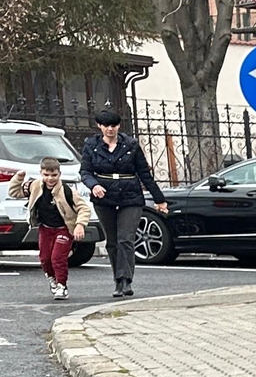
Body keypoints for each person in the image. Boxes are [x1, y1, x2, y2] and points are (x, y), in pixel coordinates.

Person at [77, 107, 167, 300]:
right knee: (112, 240)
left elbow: (144, 173)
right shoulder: (91, 146)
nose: (110, 129)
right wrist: (94, 186)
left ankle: (125, 280)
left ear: (119, 126)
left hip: (130, 195)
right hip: (104, 197)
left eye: (114, 125)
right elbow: (85, 172)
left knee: (125, 238)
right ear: (100, 126)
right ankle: (117, 279)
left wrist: (159, 199)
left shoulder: (131, 145)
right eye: (106, 125)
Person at [9, 156, 93, 299]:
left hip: (63, 229)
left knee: (57, 258)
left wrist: (80, 225)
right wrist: (18, 178)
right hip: (46, 228)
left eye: (54, 175)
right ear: (41, 173)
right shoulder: (34, 186)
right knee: (45, 258)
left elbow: (84, 208)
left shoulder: (67, 191)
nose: (50, 179)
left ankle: (62, 286)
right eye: (46, 175)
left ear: (59, 174)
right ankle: (52, 279)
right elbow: (14, 192)